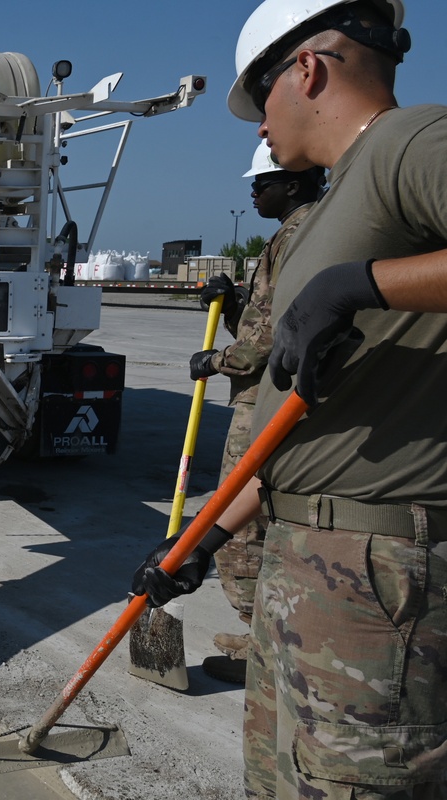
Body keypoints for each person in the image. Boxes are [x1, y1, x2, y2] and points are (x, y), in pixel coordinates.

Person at [133, 1, 447, 797]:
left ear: (306, 69)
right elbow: (304, 422)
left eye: (258, 98)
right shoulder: (331, 210)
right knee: (279, 780)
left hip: (379, 572)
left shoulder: (411, 143)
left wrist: (368, 284)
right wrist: (208, 534)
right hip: (301, 554)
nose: (258, 128)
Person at [189, 142, 324, 684]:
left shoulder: (300, 233)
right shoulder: (296, 231)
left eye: (261, 183)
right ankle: (261, 632)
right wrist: (231, 306)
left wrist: (217, 360)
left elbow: (284, 334)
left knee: (239, 527)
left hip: (266, 400)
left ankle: (258, 645)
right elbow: (263, 323)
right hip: (265, 393)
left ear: (292, 183)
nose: (252, 192)